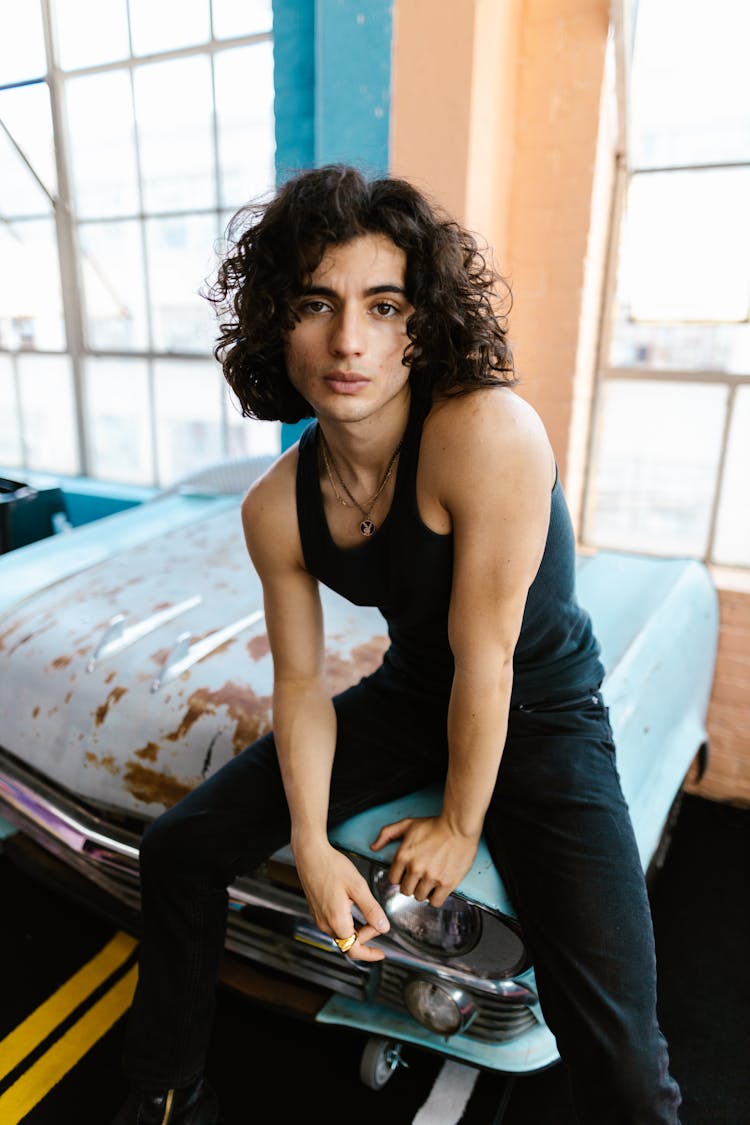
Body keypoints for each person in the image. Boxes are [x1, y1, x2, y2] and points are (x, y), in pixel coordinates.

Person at [112, 165, 681, 1124]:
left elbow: (492, 657)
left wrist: (461, 826)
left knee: (622, 1063)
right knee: (179, 846)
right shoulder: (275, 509)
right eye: (315, 303)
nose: (348, 341)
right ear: (273, 325)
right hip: (419, 689)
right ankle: (166, 1094)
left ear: (423, 323)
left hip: (541, 708)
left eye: (384, 304)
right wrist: (309, 845)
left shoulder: (488, 434)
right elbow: (298, 685)